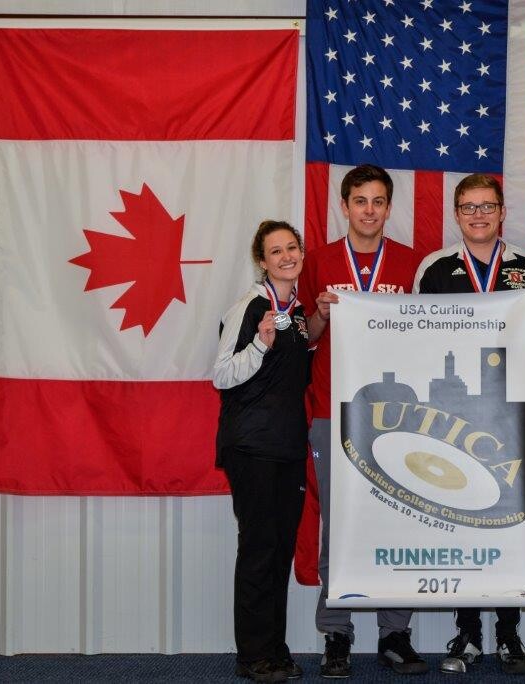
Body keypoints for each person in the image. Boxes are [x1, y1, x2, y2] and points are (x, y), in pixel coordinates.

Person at [414, 173, 525, 676]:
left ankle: (509, 632)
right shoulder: (435, 267)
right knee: (460, 517)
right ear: (456, 214)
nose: (478, 215)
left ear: (501, 212)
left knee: (508, 521)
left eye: (486, 206)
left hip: (512, 412)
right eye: (468, 207)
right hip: (453, 414)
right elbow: (413, 339)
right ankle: (467, 631)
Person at [299, 164, 427, 678]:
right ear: (345, 205)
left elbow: (431, 335)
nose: (369, 210)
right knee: (340, 527)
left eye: (378, 201)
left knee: (397, 522)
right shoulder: (319, 261)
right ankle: (337, 634)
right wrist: (323, 315)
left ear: (389, 208)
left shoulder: (413, 263)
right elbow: (304, 337)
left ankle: (395, 632)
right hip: (333, 413)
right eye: (360, 200)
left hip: (396, 418)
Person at [214, 220, 311, 682]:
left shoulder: (296, 309)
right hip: (252, 447)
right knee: (258, 549)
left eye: (292, 247)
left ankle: (274, 647)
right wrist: (259, 342)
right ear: (262, 260)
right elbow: (221, 375)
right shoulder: (250, 308)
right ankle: (252, 655)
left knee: (279, 552)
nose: (286, 256)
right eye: (276, 251)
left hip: (288, 446)